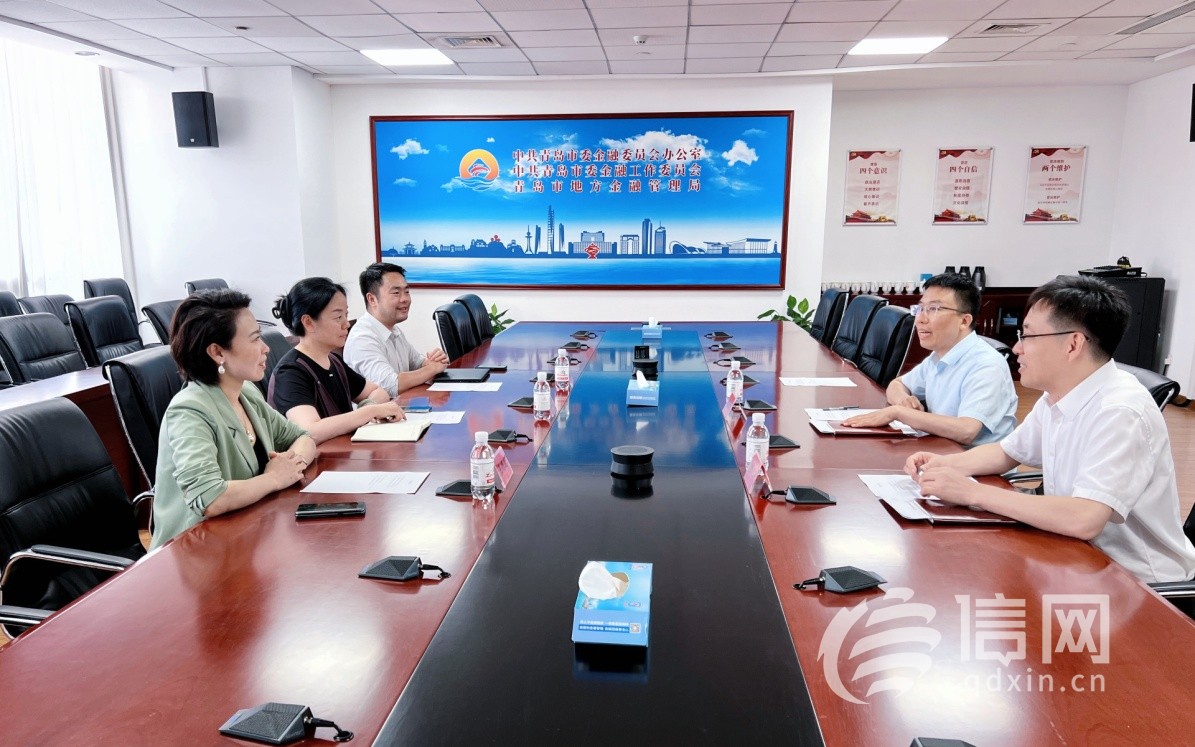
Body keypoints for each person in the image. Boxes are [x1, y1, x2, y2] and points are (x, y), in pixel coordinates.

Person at [905, 275, 1195, 584]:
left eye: (1028, 336)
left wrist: (971, 492)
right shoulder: (1059, 393)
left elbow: (1085, 518)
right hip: (1075, 554)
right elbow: (1007, 452)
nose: (1017, 348)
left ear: (1073, 344)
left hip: (1136, 581)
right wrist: (943, 465)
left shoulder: (1121, 411)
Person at [152, 289, 317, 549]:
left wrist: (290, 467)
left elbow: (303, 438)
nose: (265, 349)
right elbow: (209, 498)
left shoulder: (246, 393)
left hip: (247, 534)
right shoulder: (189, 411)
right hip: (194, 551)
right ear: (218, 352)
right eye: (255, 339)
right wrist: (274, 479)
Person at [843, 273, 1016, 446]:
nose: (920, 319)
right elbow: (897, 384)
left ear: (964, 321)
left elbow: (966, 430)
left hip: (971, 461)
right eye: (920, 309)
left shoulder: (986, 365)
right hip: (938, 449)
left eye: (934, 309)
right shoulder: (940, 354)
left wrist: (899, 412)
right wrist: (903, 401)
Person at [268, 277, 405, 444]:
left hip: (342, 452)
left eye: (346, 315)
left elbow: (378, 391)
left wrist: (369, 407)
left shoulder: (333, 360)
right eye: (338, 317)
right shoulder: (290, 372)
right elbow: (309, 431)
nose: (346, 324)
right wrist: (370, 412)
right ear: (308, 322)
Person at [343, 263, 449, 397]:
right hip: (382, 410)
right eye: (396, 293)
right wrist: (432, 369)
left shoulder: (393, 330)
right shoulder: (362, 338)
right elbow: (391, 385)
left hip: (402, 406)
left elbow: (418, 362)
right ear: (372, 299)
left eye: (407, 292)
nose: (405, 299)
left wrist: (434, 361)